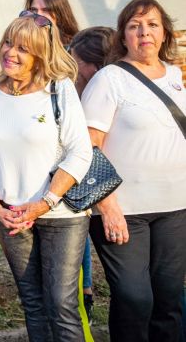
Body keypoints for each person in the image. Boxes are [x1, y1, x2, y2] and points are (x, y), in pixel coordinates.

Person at [0, 12, 92, 341]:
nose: (11, 52)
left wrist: (45, 202)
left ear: (40, 54)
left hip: (61, 213)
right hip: (10, 216)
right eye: (8, 43)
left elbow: (81, 152)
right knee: (33, 303)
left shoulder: (59, 90)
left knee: (61, 303)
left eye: (23, 48)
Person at [81, 0, 186, 342]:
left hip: (175, 207)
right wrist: (107, 207)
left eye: (152, 24)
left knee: (169, 299)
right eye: (134, 26)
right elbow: (88, 147)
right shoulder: (109, 79)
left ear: (165, 33)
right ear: (123, 36)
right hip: (125, 211)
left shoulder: (174, 76)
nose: (144, 32)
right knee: (134, 298)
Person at [68, 25, 114, 322]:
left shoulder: (97, 97)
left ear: (94, 67)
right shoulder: (82, 94)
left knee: (135, 288)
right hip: (100, 203)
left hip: (109, 203)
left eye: (75, 63)